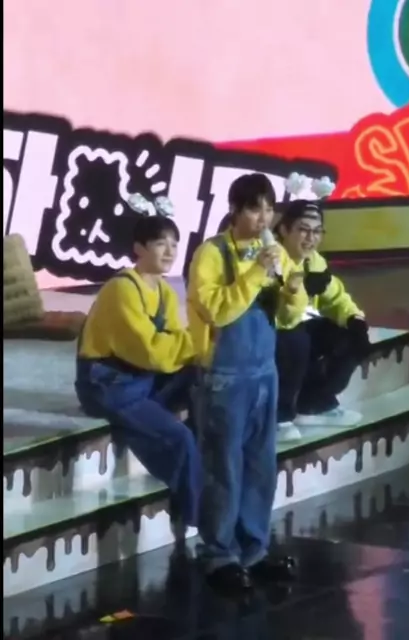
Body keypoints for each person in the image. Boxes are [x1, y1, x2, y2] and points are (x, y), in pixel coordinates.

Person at [187, 173, 308, 592]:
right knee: (223, 467)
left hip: (263, 372)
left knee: (260, 467)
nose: (264, 218)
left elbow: (290, 318)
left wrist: (293, 290)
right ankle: (218, 554)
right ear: (235, 210)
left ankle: (254, 550)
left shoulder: (272, 252)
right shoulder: (211, 254)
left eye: (269, 209)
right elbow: (216, 310)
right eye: (255, 209)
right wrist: (257, 272)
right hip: (224, 375)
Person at [75, 194, 202, 546]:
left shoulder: (163, 290)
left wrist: (196, 347)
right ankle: (195, 517)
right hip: (108, 384)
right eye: (161, 243)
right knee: (180, 438)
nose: (170, 251)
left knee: (201, 372)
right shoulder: (122, 289)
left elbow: (174, 342)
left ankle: (174, 443)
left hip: (139, 378)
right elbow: (153, 352)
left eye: (174, 244)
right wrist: (198, 341)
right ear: (138, 248)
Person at [274, 199, 371, 442]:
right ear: (284, 229)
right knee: (296, 341)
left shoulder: (314, 261)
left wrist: (355, 319)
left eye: (317, 231)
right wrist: (300, 290)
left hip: (298, 327)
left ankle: (314, 403)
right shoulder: (271, 259)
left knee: (349, 338)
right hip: (272, 330)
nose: (311, 238)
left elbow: (335, 296)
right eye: (304, 230)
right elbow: (278, 313)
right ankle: (277, 417)